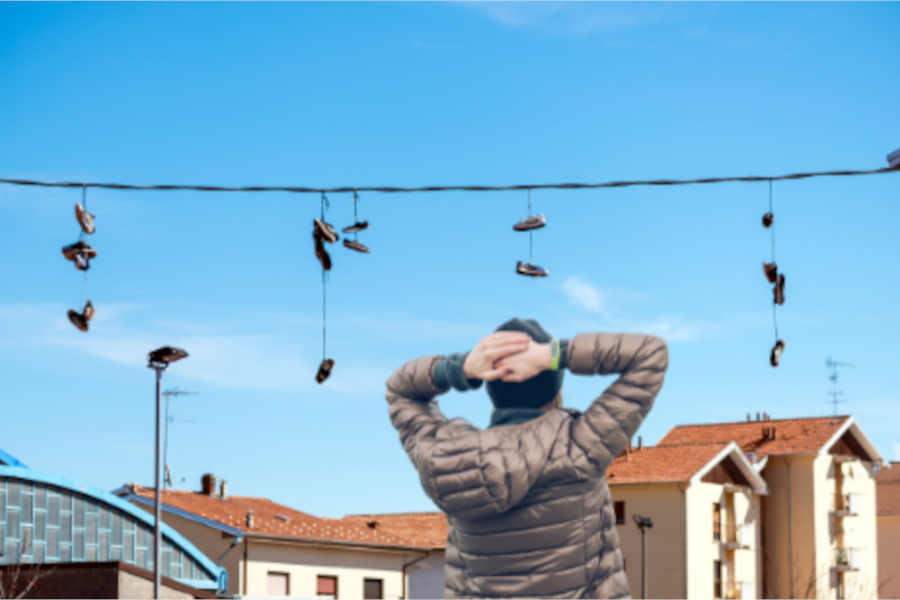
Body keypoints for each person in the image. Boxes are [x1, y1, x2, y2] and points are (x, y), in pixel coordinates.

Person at [386, 318, 669, 598]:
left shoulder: (447, 461)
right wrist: (554, 355)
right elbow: (649, 354)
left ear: (491, 387)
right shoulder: (579, 446)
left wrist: (462, 368)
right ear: (554, 385)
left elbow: (400, 390)